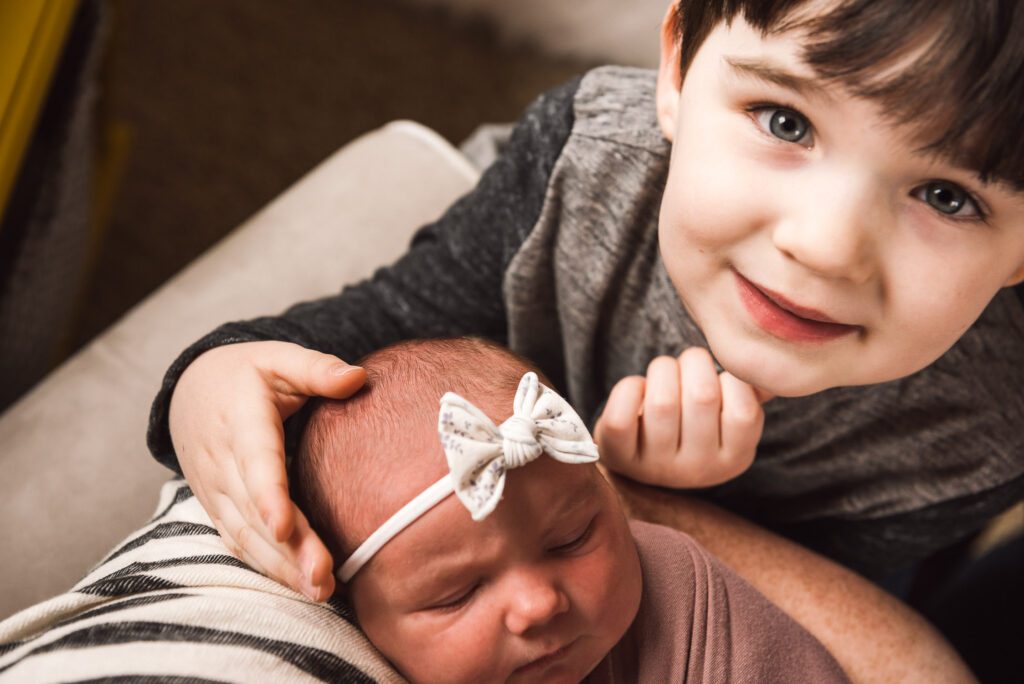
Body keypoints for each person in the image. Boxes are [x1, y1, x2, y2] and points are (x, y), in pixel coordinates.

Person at [151, 0, 1024, 616]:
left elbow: (831, 625)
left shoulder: (987, 422)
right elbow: (374, 327)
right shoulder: (581, 166)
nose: (826, 246)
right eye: (785, 122)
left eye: (947, 197)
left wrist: (655, 498)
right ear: (677, 67)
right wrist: (212, 371)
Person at [291, 336, 850, 682]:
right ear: (354, 611)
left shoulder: (682, 589)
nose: (539, 605)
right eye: (456, 594)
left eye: (572, 538)